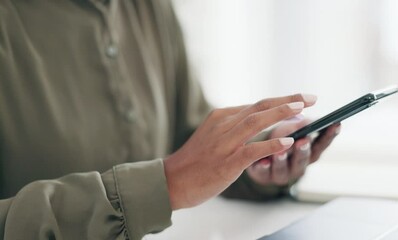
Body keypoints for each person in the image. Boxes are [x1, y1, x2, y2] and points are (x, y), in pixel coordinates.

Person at [0, 0, 340, 239]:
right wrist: (165, 184)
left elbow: (188, 145)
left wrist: (257, 160)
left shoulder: (149, 7)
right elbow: (178, 174)